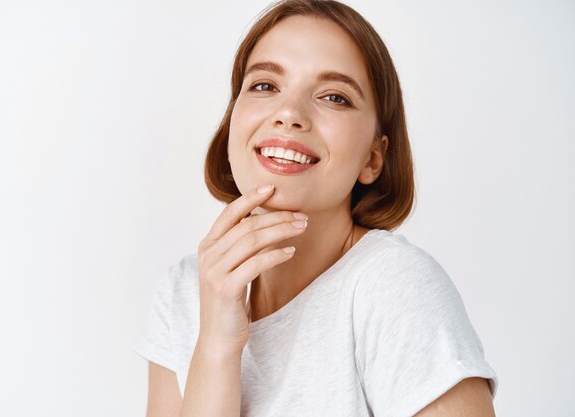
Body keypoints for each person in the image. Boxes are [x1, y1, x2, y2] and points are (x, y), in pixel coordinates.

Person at [135, 1, 499, 416]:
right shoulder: (185, 291)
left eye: (334, 97)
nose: (289, 114)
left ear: (372, 159)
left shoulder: (394, 287)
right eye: (265, 86)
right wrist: (216, 345)